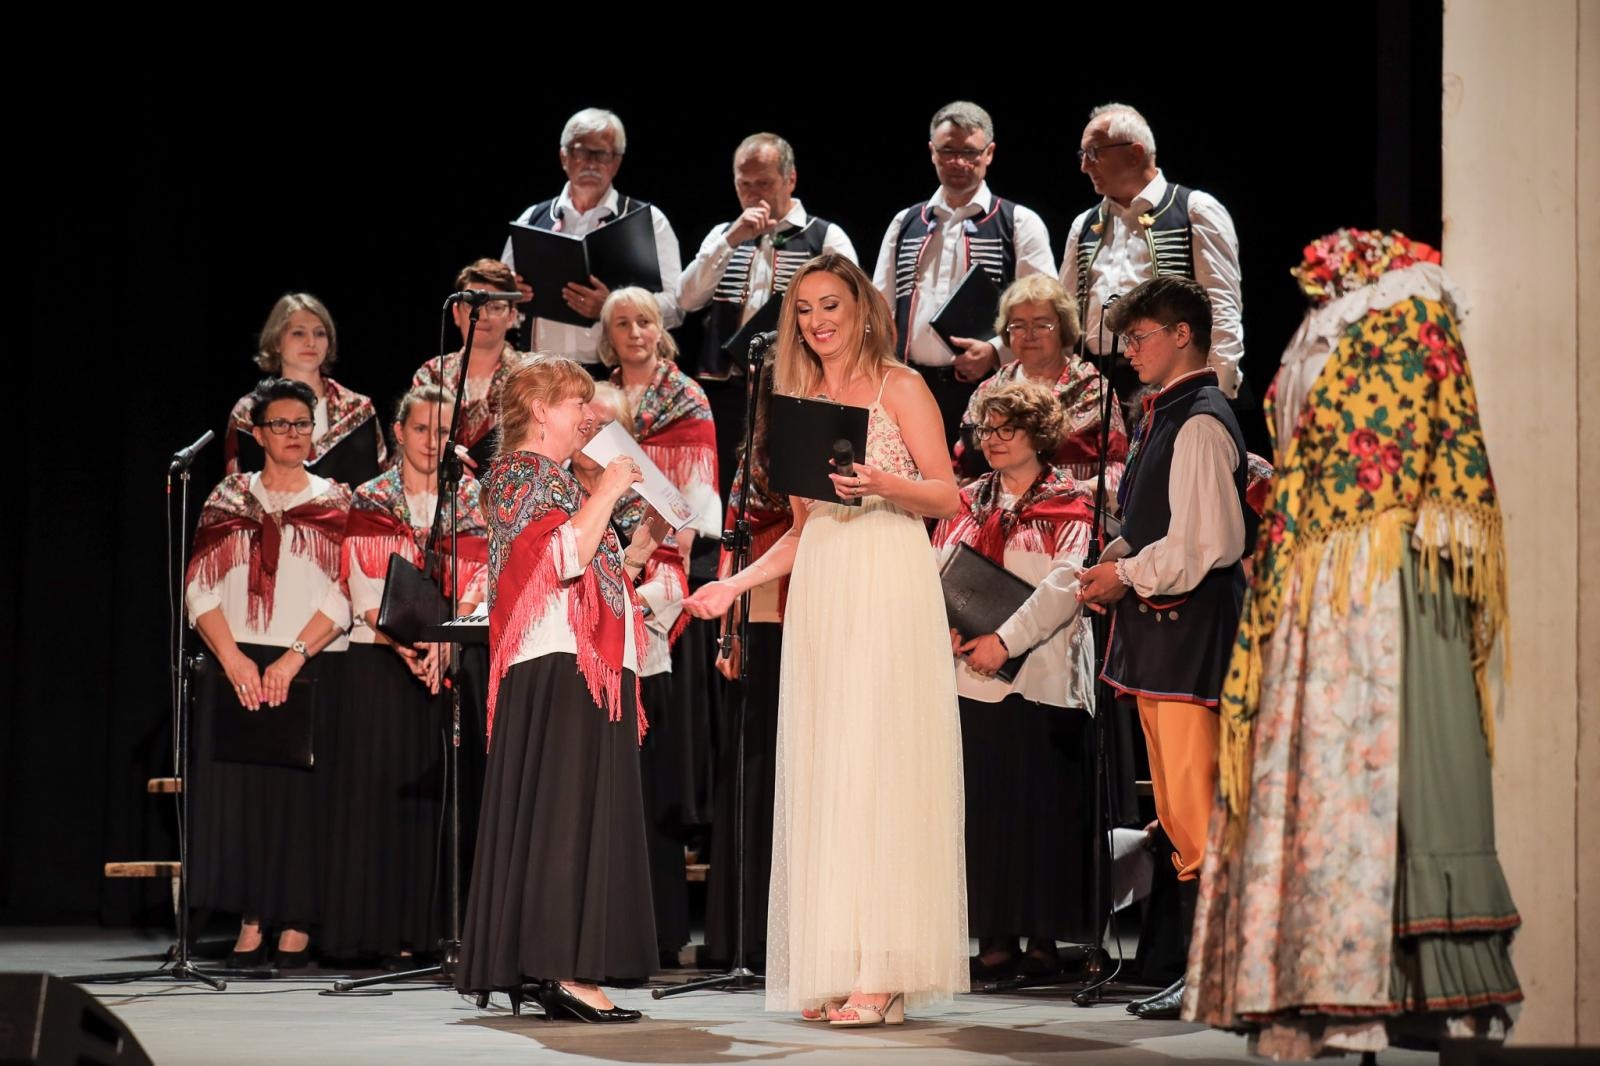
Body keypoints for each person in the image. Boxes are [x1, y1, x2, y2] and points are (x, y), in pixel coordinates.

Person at [1186, 229, 1522, 1057]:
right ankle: (1309, 978)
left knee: (1382, 780)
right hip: (1308, 588)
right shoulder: (1323, 328)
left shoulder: (1408, 316)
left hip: (1378, 587)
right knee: (1315, 781)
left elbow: (1429, 453)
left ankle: (1387, 983)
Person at [684, 253, 967, 1026]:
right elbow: (801, 530)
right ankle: (847, 966)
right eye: (804, 309)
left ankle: (887, 971)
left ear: (862, 309)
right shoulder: (797, 404)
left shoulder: (900, 386)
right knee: (832, 772)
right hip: (823, 592)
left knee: (881, 768)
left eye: (831, 305)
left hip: (889, 576)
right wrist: (733, 585)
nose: (817, 321)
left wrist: (883, 484)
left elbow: (947, 494)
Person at [456, 354, 669, 1023]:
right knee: (565, 817)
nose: (590, 416)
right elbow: (560, 559)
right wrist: (609, 489)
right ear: (541, 409)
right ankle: (564, 972)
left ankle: (548, 967)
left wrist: (642, 540)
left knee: (568, 815)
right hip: (559, 664)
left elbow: (592, 567)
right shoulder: (520, 473)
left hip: (576, 663)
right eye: (579, 403)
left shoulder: (555, 482)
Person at [1073, 276, 1255, 1020]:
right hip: (1162, 641)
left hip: (1191, 640)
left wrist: (1126, 574)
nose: (1130, 351)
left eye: (1141, 336)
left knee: (1196, 804)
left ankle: (1216, 973)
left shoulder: (1200, 421)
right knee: (1179, 809)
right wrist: (1115, 557)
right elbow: (1162, 526)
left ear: (1183, 335)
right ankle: (1199, 966)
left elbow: (1209, 542)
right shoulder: (1166, 414)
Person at [931, 379, 1099, 982]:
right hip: (969, 676)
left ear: (1039, 434)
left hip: (1042, 677)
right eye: (988, 429)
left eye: (1009, 429)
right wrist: (949, 628)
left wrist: (1004, 640)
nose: (995, 440)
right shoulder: (964, 500)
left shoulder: (1070, 501)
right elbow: (939, 570)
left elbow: (1065, 584)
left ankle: (1045, 940)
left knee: (1042, 809)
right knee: (985, 807)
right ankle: (995, 937)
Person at [185, 377, 352, 970]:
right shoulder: (229, 496)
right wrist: (233, 659)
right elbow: (198, 586)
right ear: (257, 433)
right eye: (280, 424)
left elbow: (346, 591)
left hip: (308, 662)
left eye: (302, 424)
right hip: (238, 663)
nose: (292, 434)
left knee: (300, 803)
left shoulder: (336, 499)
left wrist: (292, 657)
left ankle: (298, 921)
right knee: (244, 799)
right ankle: (252, 917)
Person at [321, 385, 488, 966]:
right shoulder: (371, 496)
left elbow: (482, 577)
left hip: (451, 661)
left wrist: (447, 640)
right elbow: (361, 586)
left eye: (443, 432)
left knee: (443, 799)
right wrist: (410, 648)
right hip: (382, 661)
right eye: (421, 430)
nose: (432, 442)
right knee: (382, 798)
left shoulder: (471, 496)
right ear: (398, 432)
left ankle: (434, 931)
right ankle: (375, 931)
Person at [570, 382, 693, 966]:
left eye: (606, 427)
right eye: (586, 424)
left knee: (642, 804)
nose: (593, 436)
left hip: (640, 665)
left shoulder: (648, 494)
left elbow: (672, 582)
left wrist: (623, 595)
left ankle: (647, 936)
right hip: (573, 667)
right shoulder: (557, 492)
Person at [873, 101, 1055, 445]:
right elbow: (879, 305)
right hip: (908, 385)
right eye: (948, 151)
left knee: (978, 474)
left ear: (989, 153)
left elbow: (1046, 310)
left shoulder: (1019, 222)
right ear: (932, 151)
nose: (958, 162)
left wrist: (995, 351)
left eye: (969, 152)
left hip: (992, 389)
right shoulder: (905, 222)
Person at [1061, 103, 1244, 423]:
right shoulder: (1084, 224)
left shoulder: (1194, 209)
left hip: (1175, 381)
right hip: (1098, 386)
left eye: (1093, 153)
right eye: (1083, 155)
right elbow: (1066, 312)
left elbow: (1222, 304)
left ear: (1134, 153)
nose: (1085, 166)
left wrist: (1217, 389)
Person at [704, 355, 791, 970]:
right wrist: (728, 634)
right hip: (759, 613)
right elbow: (733, 545)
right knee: (756, 768)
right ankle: (747, 933)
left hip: (818, 609)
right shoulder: (752, 458)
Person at [503, 108, 683, 374]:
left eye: (602, 154)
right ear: (563, 157)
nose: (591, 162)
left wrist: (612, 308)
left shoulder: (648, 221)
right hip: (540, 372)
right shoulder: (532, 218)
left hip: (614, 376)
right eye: (581, 151)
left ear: (617, 162)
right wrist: (512, 296)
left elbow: (675, 307)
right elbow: (501, 298)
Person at [678, 132, 857, 382]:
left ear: (790, 179)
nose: (753, 195)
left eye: (763, 183)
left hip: (795, 381)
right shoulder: (723, 234)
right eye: (744, 184)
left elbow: (853, 309)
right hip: (724, 382)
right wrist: (730, 240)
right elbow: (686, 300)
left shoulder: (825, 236)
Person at [956, 274, 1128, 492]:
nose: (1029, 335)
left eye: (1041, 325)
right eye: (1018, 325)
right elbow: (961, 468)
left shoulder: (1093, 388)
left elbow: (1117, 472)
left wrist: (1064, 492)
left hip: (1072, 507)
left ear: (1063, 327)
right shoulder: (989, 390)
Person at [597, 287, 722, 555]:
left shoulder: (687, 395)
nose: (634, 333)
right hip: (606, 531)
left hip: (669, 534)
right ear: (609, 335)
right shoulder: (600, 399)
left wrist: (685, 536)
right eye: (622, 324)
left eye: (644, 322)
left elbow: (698, 479)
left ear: (659, 329)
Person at [223, 294, 386, 486]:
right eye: (298, 333)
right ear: (276, 342)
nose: (311, 342)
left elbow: (380, 482)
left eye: (320, 333)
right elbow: (235, 484)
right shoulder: (249, 410)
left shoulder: (357, 408)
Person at [410, 259, 526, 470]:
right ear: (456, 313)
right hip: (442, 482)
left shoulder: (530, 374)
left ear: (511, 316)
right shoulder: (432, 374)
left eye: (495, 307)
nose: (482, 316)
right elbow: (414, 436)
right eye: (473, 305)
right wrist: (445, 455)